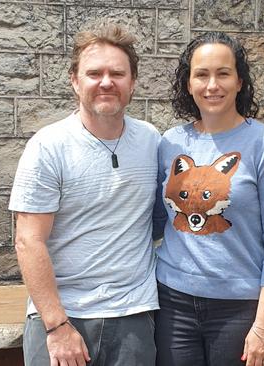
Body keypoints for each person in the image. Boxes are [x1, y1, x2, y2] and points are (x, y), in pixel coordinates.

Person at [9, 23, 160, 366]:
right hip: (63, 320)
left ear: (133, 82)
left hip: (134, 317)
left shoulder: (153, 142)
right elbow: (28, 241)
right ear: (75, 80)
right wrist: (57, 325)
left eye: (117, 73)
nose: (106, 82)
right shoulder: (48, 147)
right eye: (94, 73)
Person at [152, 31, 264, 366]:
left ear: (239, 81)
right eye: (201, 74)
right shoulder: (170, 143)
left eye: (223, 73)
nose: (212, 85)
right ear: (188, 84)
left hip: (239, 310)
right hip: (172, 303)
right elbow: (157, 220)